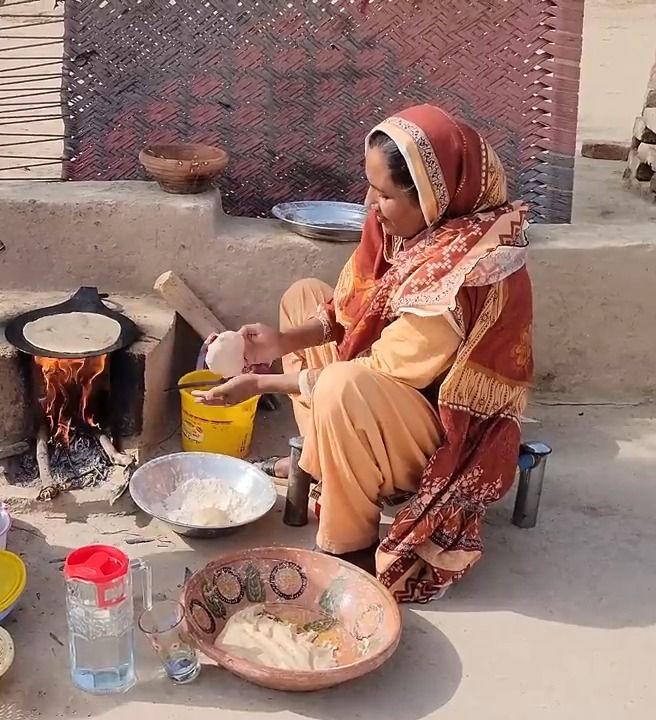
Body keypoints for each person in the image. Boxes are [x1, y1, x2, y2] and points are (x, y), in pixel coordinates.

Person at [195, 105, 533, 603]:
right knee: (303, 296)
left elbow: (376, 371)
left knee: (339, 386)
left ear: (433, 199)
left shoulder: (462, 273)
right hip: (388, 400)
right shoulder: (407, 228)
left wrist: (260, 382)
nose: (371, 203)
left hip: (442, 439)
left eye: (386, 194)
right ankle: (324, 458)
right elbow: (348, 310)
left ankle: (347, 546)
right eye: (370, 186)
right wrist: (280, 342)